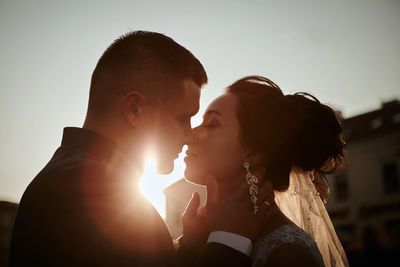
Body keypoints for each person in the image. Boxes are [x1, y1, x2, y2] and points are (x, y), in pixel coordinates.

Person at [8, 32, 274, 267]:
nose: (188, 134)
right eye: (182, 118)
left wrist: (190, 248)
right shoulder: (87, 191)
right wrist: (228, 241)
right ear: (135, 109)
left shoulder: (81, 176)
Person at [184, 75, 348, 266]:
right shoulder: (205, 235)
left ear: (253, 152)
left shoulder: (288, 255)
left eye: (211, 124)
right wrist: (189, 247)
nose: (189, 134)